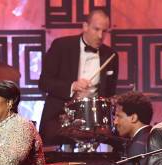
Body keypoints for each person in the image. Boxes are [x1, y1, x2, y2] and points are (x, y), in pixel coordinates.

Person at [38, 9, 118, 145]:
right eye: (96, 29)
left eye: (104, 31)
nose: (100, 36)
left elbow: (110, 93)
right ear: (85, 26)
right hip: (59, 117)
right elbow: (44, 82)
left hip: (93, 123)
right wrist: (72, 86)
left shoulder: (111, 56)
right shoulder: (61, 46)